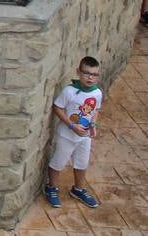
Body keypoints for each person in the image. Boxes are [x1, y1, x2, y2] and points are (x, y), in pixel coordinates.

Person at [45, 56, 104, 209]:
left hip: (84, 136)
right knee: (58, 162)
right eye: (86, 73)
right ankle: (52, 188)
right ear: (78, 72)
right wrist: (72, 126)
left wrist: (93, 125)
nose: (90, 77)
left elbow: (95, 110)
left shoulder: (97, 93)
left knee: (82, 163)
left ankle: (78, 189)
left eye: (94, 74)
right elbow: (57, 108)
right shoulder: (69, 91)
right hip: (67, 135)